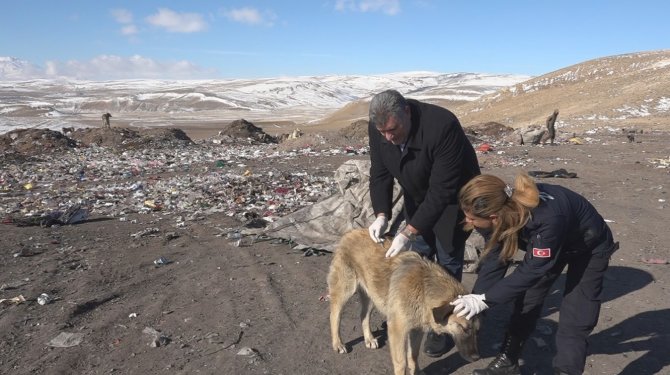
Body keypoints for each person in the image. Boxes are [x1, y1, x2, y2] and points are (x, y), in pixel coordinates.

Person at [451, 173, 619, 375]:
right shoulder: (497, 212)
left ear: (493, 217)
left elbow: (534, 269)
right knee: (528, 299)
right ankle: (508, 361)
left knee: (577, 311)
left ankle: (566, 370)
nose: (468, 222)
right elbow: (496, 259)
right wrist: (476, 300)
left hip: (587, 246)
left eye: (471, 218)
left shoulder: (545, 219)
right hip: (549, 244)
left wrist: (487, 299)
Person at [366, 89, 481, 356]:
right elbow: (379, 173)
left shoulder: (442, 126)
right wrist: (381, 214)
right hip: (417, 197)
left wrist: (408, 230)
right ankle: (412, 310)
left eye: (393, 130)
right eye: (382, 132)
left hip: (454, 200)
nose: (388, 137)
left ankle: (447, 323)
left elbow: (442, 190)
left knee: (447, 258)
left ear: (406, 111)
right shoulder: (381, 128)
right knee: (419, 257)